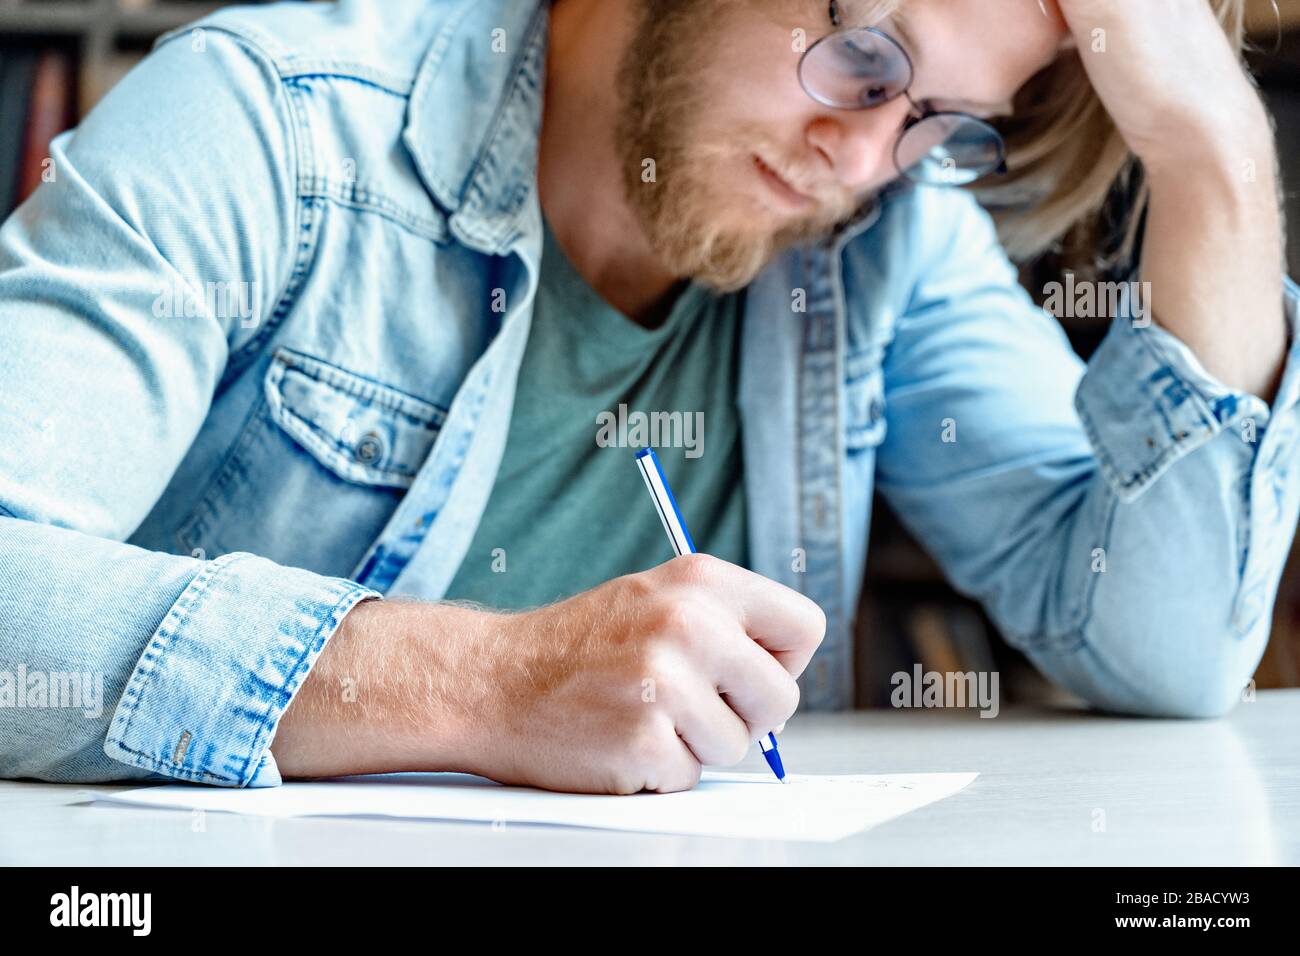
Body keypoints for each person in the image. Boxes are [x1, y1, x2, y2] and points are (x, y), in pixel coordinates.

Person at [0, 0, 1294, 794]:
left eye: (936, 119)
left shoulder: (885, 247)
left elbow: (1165, 651)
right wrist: (489, 683)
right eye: (860, 56)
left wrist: (1216, 159)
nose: (861, 156)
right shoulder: (268, 127)